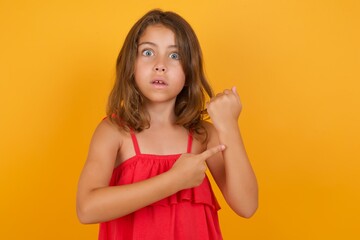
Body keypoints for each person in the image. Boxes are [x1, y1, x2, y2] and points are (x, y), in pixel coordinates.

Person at [76, 9, 258, 240]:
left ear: (189, 71)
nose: (160, 65)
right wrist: (174, 181)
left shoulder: (203, 135)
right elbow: (86, 208)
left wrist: (229, 126)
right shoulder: (114, 132)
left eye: (175, 56)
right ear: (131, 64)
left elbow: (247, 205)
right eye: (148, 52)